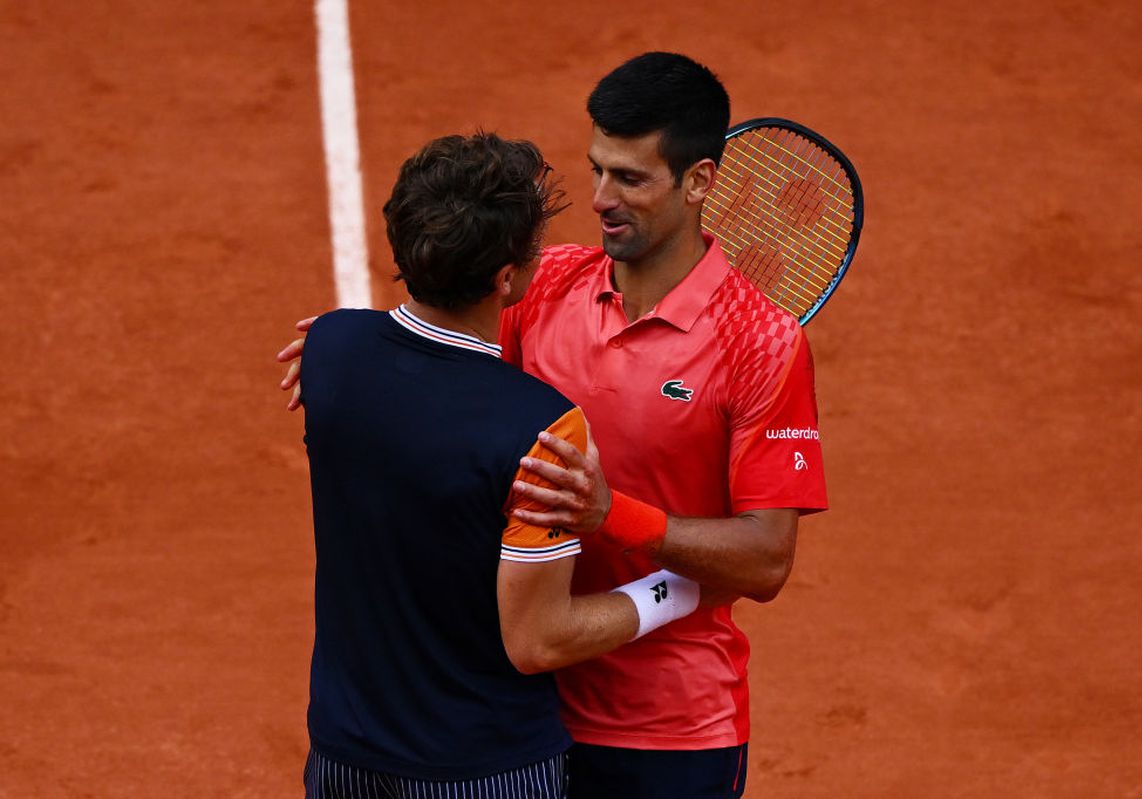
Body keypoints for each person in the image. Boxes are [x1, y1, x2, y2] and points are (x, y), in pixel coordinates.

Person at [281, 53, 828, 799]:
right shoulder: (553, 284)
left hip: (663, 725)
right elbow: (450, 350)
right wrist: (361, 346)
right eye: (597, 168)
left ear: (698, 182)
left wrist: (617, 516)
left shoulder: (760, 343)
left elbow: (766, 559)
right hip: (517, 705)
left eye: (630, 179)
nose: (601, 197)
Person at [298, 131, 701, 799]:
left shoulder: (330, 349)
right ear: (507, 279)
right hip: (483, 770)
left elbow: (376, 353)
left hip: (345, 758)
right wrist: (676, 591)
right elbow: (537, 640)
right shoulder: (541, 427)